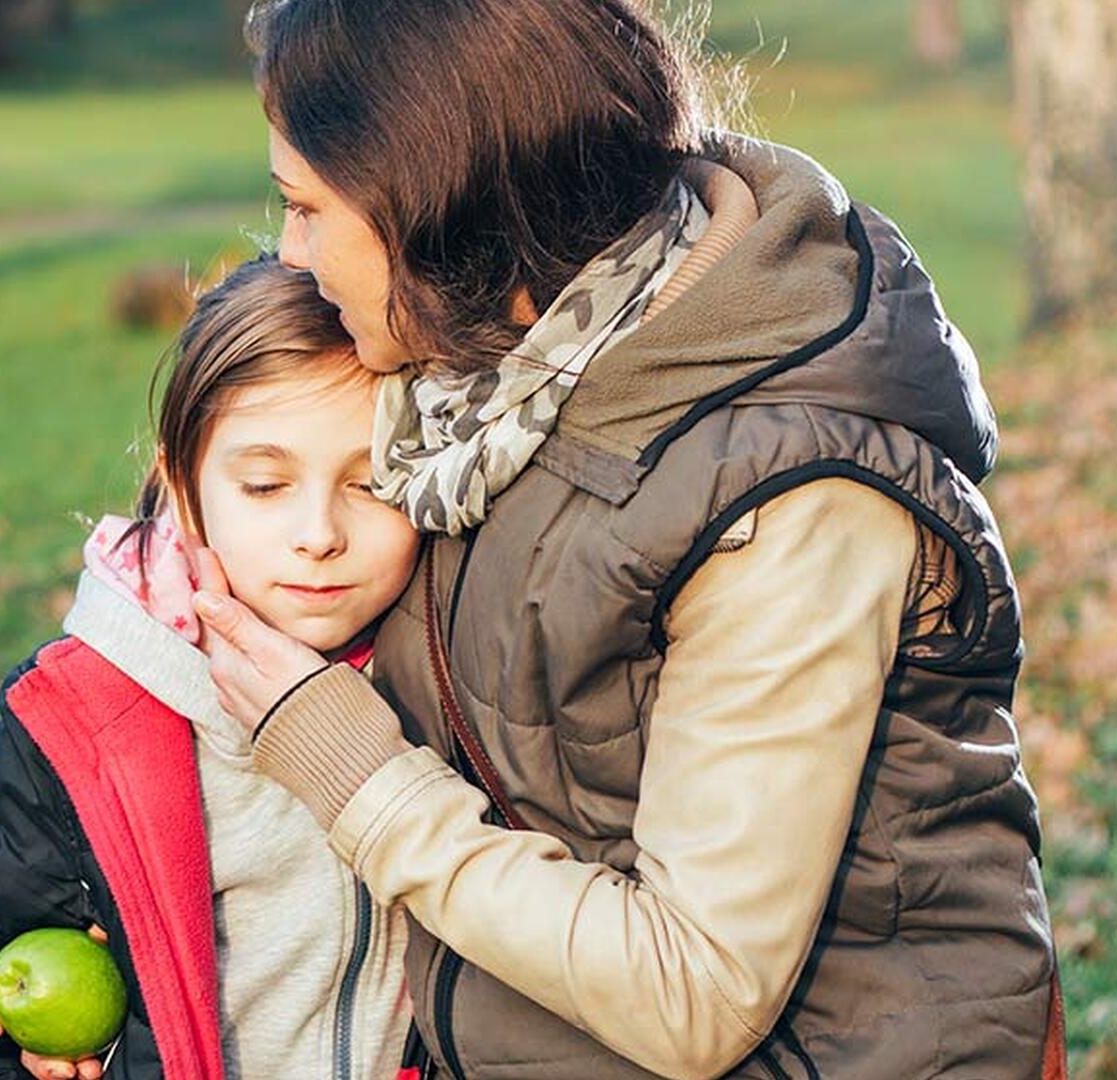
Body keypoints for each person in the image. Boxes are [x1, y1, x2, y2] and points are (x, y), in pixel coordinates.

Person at [189, 2, 1065, 1078]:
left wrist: (361, 778)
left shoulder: (790, 497)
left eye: (309, 207)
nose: (290, 250)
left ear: (440, 203)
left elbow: (696, 994)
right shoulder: (483, 389)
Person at [0, 255, 419, 1080]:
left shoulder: (460, 676)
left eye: (374, 483)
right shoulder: (78, 726)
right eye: (267, 484)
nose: (320, 533)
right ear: (182, 483)